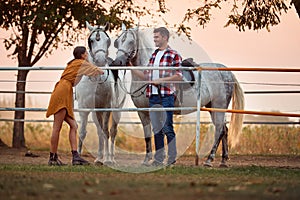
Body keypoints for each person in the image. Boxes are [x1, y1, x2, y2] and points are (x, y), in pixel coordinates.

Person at [130, 27, 183, 166]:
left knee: (167, 127)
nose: (154, 40)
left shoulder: (173, 54)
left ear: (165, 37)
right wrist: (131, 68)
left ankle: (172, 158)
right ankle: (159, 159)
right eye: (154, 37)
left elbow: (179, 76)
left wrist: (160, 81)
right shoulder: (154, 55)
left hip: (166, 95)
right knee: (157, 129)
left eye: (157, 37)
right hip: (153, 95)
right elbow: (147, 75)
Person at [46, 46, 104, 166]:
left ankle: (75, 156)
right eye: (86, 53)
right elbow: (99, 71)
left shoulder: (73, 63)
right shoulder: (82, 63)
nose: (87, 55)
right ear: (82, 55)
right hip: (63, 91)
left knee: (74, 125)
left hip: (63, 90)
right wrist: (88, 61)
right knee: (57, 127)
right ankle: (52, 157)